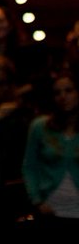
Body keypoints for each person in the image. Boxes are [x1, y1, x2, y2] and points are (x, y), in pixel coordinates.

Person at [22, 68, 79, 235]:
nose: (63, 96)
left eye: (69, 90)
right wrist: (37, 201)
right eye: (57, 93)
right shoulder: (40, 127)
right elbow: (29, 166)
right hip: (51, 211)